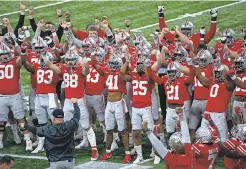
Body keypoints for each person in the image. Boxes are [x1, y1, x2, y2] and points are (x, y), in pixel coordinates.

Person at [23, 98, 80, 169]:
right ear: (63, 117)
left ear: (53, 118)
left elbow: (35, 130)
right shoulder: (70, 125)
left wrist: (25, 125)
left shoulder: (47, 129)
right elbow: (77, 116)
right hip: (69, 161)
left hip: (55, 162)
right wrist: (75, 104)